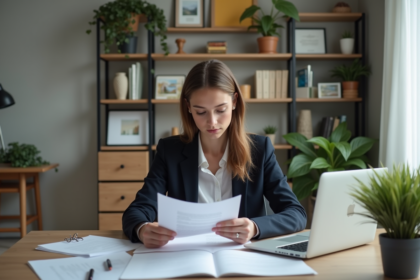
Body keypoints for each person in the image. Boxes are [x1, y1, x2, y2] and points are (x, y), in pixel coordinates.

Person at [123, 60, 306, 248]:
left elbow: (296, 213)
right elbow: (138, 210)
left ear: (234, 102)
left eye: (220, 110)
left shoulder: (260, 150)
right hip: (185, 256)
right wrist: (142, 228)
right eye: (200, 112)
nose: (212, 122)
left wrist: (254, 227)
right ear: (188, 107)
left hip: (245, 259)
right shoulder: (169, 151)